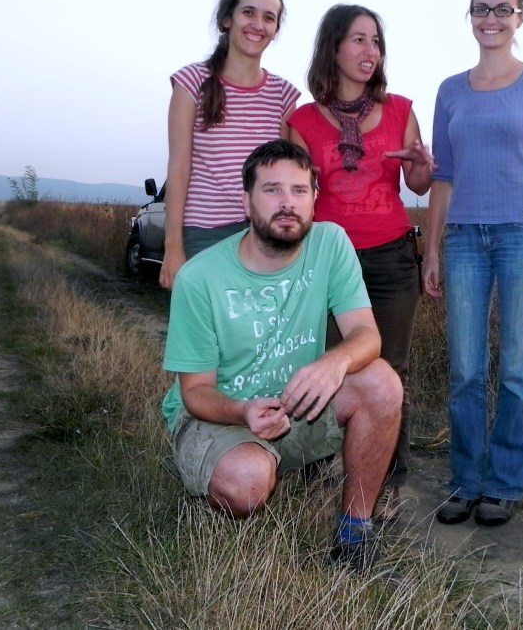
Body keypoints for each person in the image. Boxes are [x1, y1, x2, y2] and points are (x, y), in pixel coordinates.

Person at [161, 139, 402, 571]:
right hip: (222, 415)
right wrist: (243, 411)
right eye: (272, 190)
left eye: (299, 190)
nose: (287, 203)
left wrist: (334, 362)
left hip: (295, 407)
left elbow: (366, 335)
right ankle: (213, 468)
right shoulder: (200, 278)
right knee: (246, 483)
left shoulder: (330, 243)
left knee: (381, 382)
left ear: (314, 200)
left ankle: (354, 533)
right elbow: (195, 392)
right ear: (246, 202)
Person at [422, 0, 523, 527]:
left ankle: (504, 485)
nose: (491, 18)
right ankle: (465, 481)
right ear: (470, 16)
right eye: (482, 8)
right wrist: (432, 250)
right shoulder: (450, 90)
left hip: (522, 237)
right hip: (463, 240)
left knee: (516, 371)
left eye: (502, 9)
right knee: (465, 370)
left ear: (519, 18)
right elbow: (443, 175)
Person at [288, 4, 434, 521]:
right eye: (358, 40)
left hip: (391, 256)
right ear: (333, 48)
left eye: (376, 41)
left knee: (391, 370)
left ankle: (387, 484)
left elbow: (418, 185)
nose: (370, 51)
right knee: (320, 366)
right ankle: (311, 475)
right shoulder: (302, 121)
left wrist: (423, 167)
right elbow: (297, 196)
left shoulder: (400, 110)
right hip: (326, 260)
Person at [159, 0, 301, 290]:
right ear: (227, 19)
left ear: (275, 29)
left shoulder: (283, 95)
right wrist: (173, 246)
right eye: (248, 12)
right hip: (204, 236)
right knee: (207, 322)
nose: (258, 25)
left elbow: (291, 175)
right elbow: (178, 167)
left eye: (269, 18)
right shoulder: (191, 83)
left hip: (265, 237)